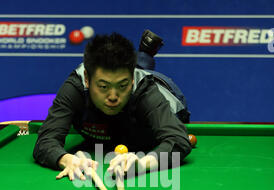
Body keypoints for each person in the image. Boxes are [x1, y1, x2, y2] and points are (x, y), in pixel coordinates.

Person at [33, 30, 192, 181]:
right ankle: (144, 55)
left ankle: (143, 57)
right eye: (103, 87)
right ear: (87, 80)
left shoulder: (144, 91)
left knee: (142, 70)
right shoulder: (76, 87)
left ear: (132, 80)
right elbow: (46, 141)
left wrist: (143, 163)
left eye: (123, 86)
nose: (113, 97)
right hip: (120, 113)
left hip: (165, 91)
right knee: (130, 70)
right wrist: (65, 159)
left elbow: (178, 140)